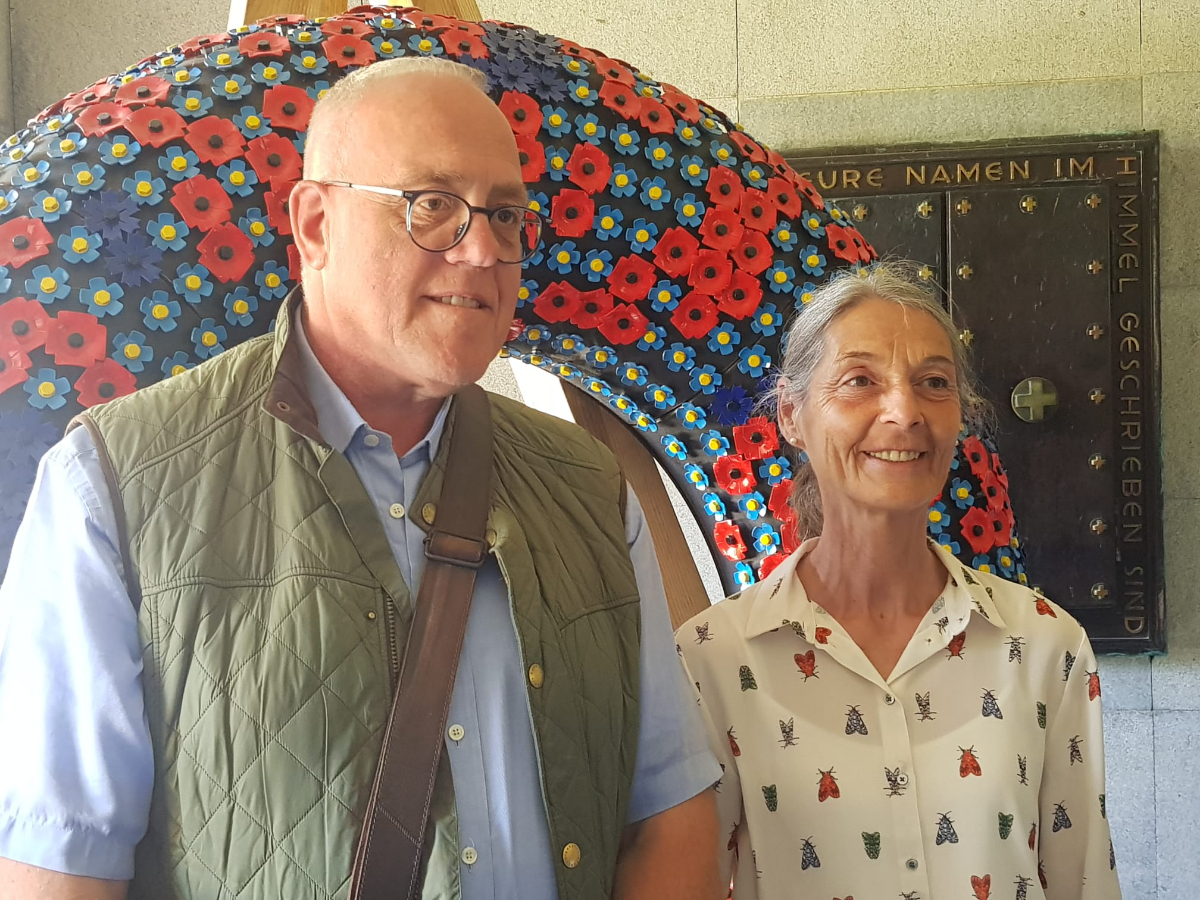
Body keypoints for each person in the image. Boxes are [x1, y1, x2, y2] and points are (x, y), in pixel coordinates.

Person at [0, 57, 722, 900]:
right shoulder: (117, 484)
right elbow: (61, 863)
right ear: (315, 225)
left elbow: (667, 811)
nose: (482, 250)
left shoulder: (589, 488)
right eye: (432, 205)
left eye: (505, 215)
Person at [677, 263, 1120, 900]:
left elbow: (1083, 880)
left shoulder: (1045, 645)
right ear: (792, 416)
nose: (904, 412)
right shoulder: (711, 659)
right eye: (859, 381)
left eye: (933, 383)